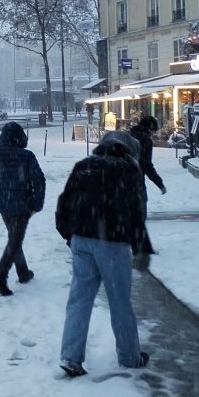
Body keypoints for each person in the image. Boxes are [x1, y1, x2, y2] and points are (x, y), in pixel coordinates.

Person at [55, 131, 149, 377]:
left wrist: (69, 235)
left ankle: (71, 357)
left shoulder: (83, 166)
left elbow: (64, 202)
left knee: (79, 300)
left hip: (81, 240)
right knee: (120, 302)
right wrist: (139, 246)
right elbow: (137, 211)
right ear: (126, 150)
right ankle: (130, 357)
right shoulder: (128, 171)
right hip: (113, 243)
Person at [0, 122, 46, 296]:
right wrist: (35, 205)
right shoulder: (26, 156)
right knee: (15, 240)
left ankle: (23, 273)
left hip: (4, 205)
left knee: (14, 238)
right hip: (22, 205)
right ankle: (0, 278)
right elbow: (39, 181)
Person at [128, 114, 165, 259]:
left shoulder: (130, 135)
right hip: (136, 179)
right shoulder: (145, 140)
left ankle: (130, 243)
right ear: (150, 128)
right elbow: (146, 164)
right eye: (153, 131)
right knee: (139, 212)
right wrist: (159, 182)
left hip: (121, 177)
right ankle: (140, 247)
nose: (153, 134)